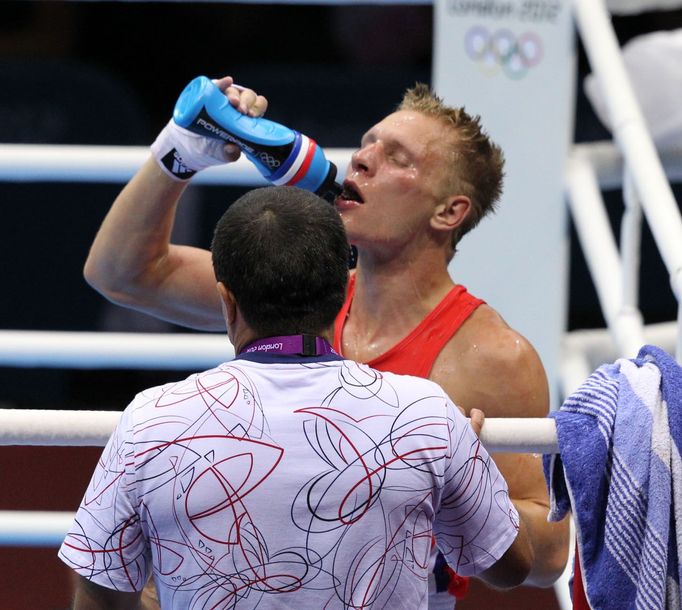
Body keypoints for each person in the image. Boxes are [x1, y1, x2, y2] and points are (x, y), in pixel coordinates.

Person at [83, 75, 569, 605]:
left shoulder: (491, 357)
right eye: (368, 144)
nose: (362, 161)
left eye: (398, 157)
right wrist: (180, 153)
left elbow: (548, 557)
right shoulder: (296, 291)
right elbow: (122, 272)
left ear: (449, 212)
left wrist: (467, 480)